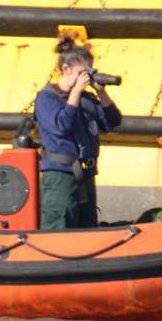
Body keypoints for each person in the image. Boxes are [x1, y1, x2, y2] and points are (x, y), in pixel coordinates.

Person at [33, 38, 122, 229]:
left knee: (86, 228)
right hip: (60, 175)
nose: (85, 78)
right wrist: (75, 93)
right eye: (81, 73)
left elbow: (113, 122)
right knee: (60, 225)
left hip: (86, 174)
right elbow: (61, 125)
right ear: (65, 70)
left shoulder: (85, 99)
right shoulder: (47, 98)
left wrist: (101, 94)